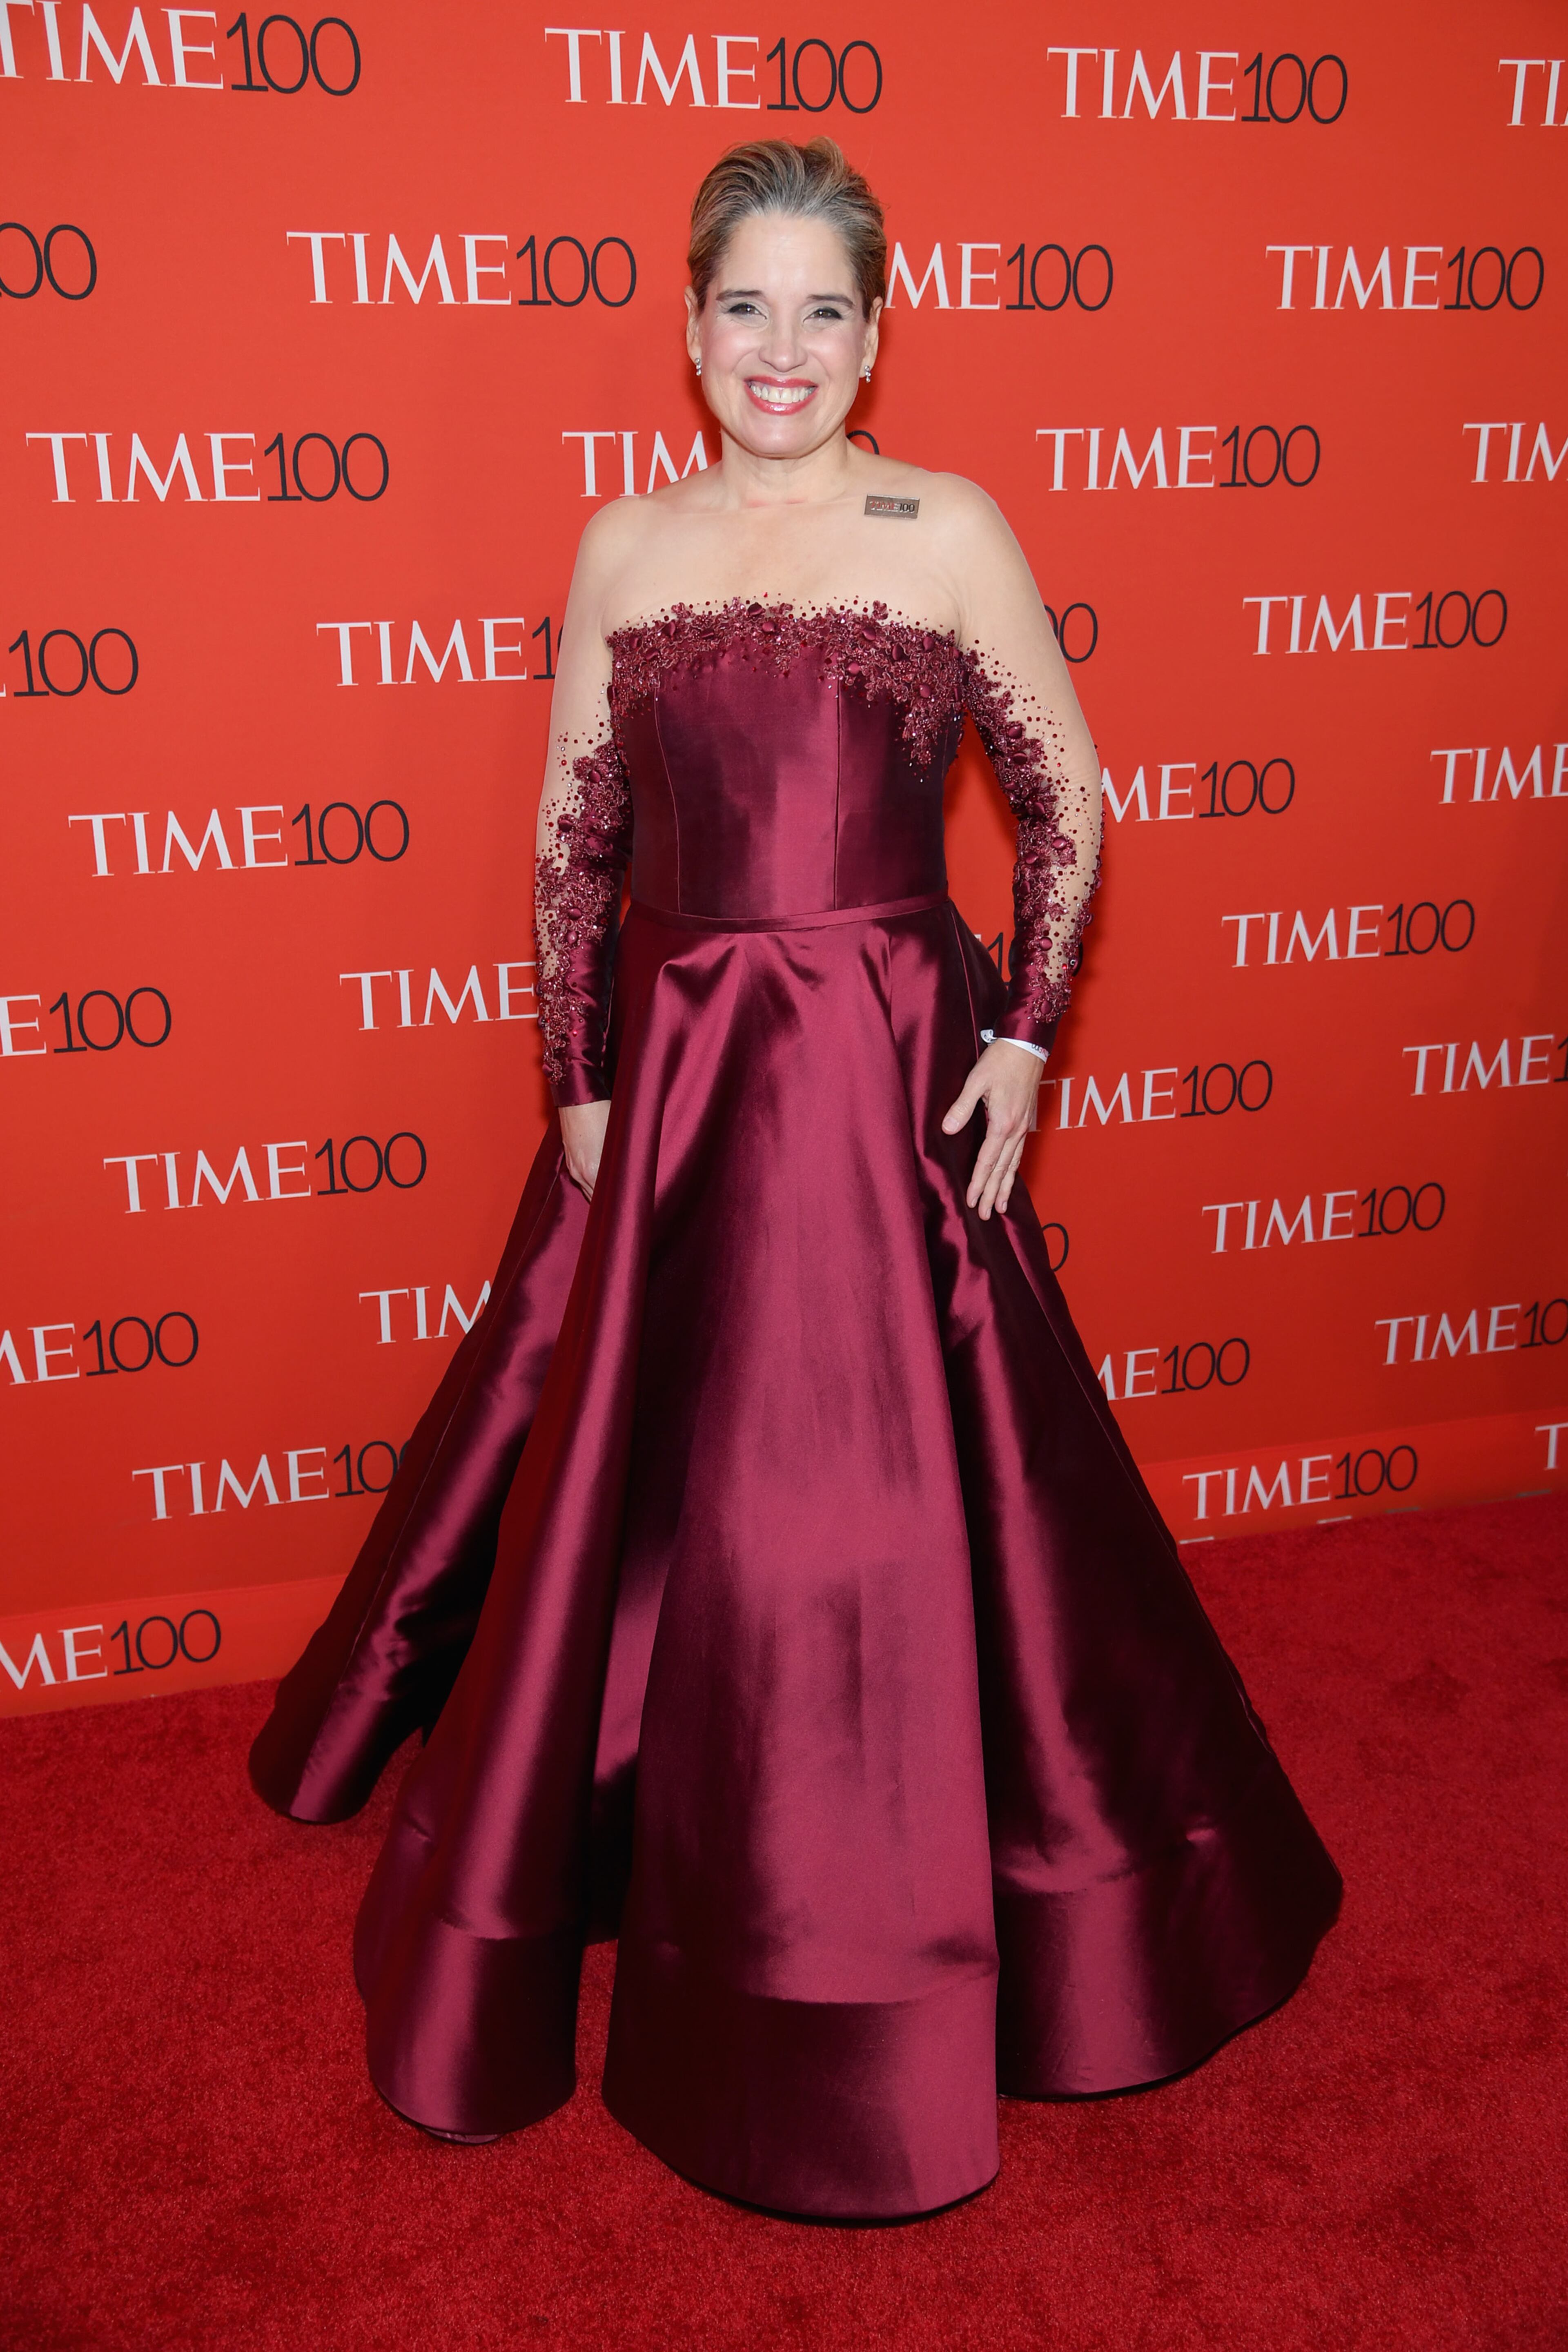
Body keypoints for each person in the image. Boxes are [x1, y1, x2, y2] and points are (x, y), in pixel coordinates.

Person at [251, 136, 1340, 2221]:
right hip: (668, 1071)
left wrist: (1023, 1036)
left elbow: (1070, 797)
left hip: (884, 1068)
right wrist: (577, 1080)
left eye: (822, 308)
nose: (782, 346)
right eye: (743, 304)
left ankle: (1001, 1892)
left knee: (903, 1487)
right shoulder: (626, 547)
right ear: (687, 327)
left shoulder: (948, 533)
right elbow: (574, 836)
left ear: (874, 334)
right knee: (639, 1478)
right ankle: (616, 1816)